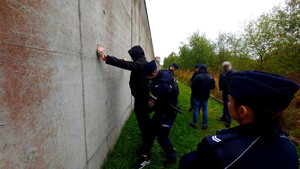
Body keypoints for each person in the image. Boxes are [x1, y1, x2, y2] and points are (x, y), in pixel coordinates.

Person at [179, 71, 300, 169]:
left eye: (230, 100)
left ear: (242, 111)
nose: (228, 103)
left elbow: (185, 163)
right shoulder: (290, 148)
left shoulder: (218, 153)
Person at [96, 44, 152, 153]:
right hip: (142, 97)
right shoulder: (141, 62)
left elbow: (124, 65)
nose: (132, 58)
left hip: (142, 99)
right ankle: (145, 134)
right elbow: (128, 65)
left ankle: (146, 147)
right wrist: (125, 62)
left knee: (143, 119)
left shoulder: (140, 64)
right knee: (143, 119)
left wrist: (104, 56)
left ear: (136, 55)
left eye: (132, 56)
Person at [133, 60, 179, 169]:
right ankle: (144, 153)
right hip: (163, 109)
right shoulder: (165, 74)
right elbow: (154, 83)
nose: (148, 79)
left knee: (162, 137)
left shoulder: (160, 88)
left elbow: (150, 106)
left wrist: (140, 110)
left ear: (153, 74)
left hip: (167, 114)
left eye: (148, 77)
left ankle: (172, 156)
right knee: (152, 131)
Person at [188, 64, 215, 130]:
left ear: (200, 69)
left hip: (196, 96)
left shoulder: (197, 76)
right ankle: (204, 124)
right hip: (205, 96)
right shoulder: (210, 77)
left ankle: (194, 123)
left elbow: (192, 85)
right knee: (205, 110)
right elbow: (213, 87)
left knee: (196, 109)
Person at [217, 61, 237, 128]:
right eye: (225, 66)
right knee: (224, 105)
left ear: (229, 66)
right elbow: (220, 82)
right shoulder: (222, 73)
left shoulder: (233, 73)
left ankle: (228, 120)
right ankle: (223, 117)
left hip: (230, 93)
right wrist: (221, 89)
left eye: (227, 66)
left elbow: (236, 83)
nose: (226, 67)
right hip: (224, 92)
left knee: (228, 106)